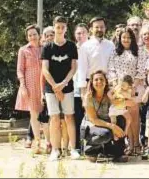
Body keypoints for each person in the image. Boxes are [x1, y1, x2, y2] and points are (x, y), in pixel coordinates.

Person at [41, 16, 80, 161]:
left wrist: (63, 84)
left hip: (67, 87)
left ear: (65, 28)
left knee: (69, 117)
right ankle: (55, 150)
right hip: (51, 88)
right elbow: (45, 69)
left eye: (63, 27)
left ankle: (72, 149)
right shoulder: (47, 47)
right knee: (55, 118)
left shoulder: (71, 46)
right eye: (58, 27)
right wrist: (55, 87)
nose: (60, 29)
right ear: (54, 27)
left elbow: (74, 67)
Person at [107, 27, 143, 156]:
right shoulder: (114, 53)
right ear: (119, 38)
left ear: (132, 38)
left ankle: (136, 144)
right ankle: (127, 144)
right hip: (119, 89)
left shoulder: (138, 51)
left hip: (134, 88)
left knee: (134, 117)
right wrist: (117, 86)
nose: (126, 40)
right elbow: (111, 70)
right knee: (123, 116)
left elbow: (141, 70)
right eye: (123, 37)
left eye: (128, 37)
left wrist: (133, 87)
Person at [81, 70, 128, 163]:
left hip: (108, 122)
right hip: (93, 125)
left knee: (121, 120)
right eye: (96, 80)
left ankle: (117, 153)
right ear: (91, 82)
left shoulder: (111, 94)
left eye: (101, 79)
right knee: (105, 134)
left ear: (106, 82)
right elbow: (93, 119)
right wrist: (112, 126)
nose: (99, 82)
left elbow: (120, 107)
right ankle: (91, 150)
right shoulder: (88, 97)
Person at [16, 25, 46, 154]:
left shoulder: (45, 49)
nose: (32, 37)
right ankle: (37, 143)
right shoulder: (23, 50)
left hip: (45, 85)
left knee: (46, 115)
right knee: (34, 115)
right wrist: (23, 86)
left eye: (34, 34)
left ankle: (49, 142)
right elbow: (20, 70)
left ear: (39, 35)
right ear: (27, 37)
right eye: (30, 35)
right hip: (30, 85)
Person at [77, 17, 115, 98]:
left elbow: (113, 66)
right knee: (91, 110)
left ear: (105, 28)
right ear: (91, 29)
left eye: (102, 27)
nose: (99, 29)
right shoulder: (85, 46)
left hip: (107, 84)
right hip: (90, 84)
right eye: (96, 27)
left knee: (108, 110)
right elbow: (82, 68)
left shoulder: (111, 45)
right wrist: (83, 90)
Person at [73, 23, 88, 152]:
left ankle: (91, 145)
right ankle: (78, 146)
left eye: (83, 32)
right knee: (77, 119)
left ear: (87, 34)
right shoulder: (72, 49)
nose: (81, 35)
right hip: (75, 90)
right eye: (78, 33)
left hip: (90, 90)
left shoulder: (90, 48)